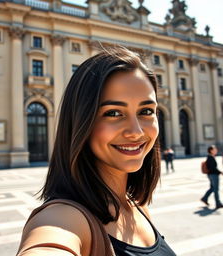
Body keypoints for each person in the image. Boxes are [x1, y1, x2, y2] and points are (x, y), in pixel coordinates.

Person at [16, 47, 176, 256]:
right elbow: (48, 245)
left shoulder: (138, 208)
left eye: (146, 111)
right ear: (82, 121)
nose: (136, 132)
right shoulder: (63, 218)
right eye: (113, 113)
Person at [201, 145, 223, 209]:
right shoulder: (210, 158)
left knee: (212, 188)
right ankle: (218, 203)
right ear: (211, 150)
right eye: (215, 149)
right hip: (213, 175)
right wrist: (220, 172)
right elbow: (212, 168)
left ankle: (205, 198)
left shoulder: (211, 157)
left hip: (211, 175)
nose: (216, 150)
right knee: (216, 189)